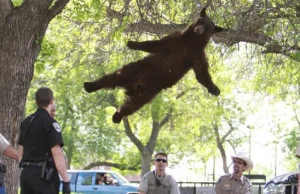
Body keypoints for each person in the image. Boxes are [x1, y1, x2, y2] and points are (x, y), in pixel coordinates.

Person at [18, 87, 71, 194]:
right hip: (43, 176)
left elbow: (21, 153)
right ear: (51, 101)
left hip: (26, 174)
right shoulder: (51, 123)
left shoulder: (26, 122)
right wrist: (66, 181)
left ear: (36, 102)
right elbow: (57, 154)